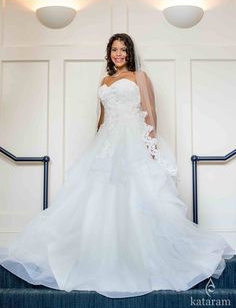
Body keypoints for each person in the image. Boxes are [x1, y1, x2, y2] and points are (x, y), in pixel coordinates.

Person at [0, 33, 234, 299]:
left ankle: (141, 258)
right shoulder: (105, 81)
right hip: (107, 144)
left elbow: (151, 113)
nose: (119, 54)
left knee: (139, 199)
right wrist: (97, 149)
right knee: (96, 201)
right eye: (114, 49)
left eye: (123, 49)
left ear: (130, 53)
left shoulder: (140, 78)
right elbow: (102, 119)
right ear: (109, 53)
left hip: (133, 140)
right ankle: (99, 255)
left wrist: (151, 147)